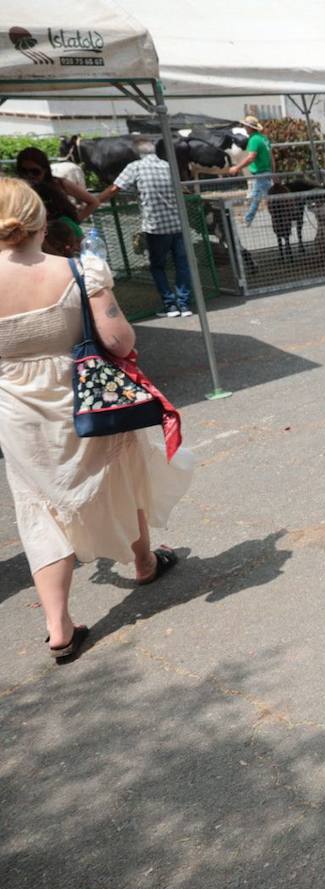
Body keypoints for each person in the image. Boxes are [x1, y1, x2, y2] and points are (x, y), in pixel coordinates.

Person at [0, 178, 192, 664]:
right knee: (123, 474)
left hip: (16, 413)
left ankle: (58, 626)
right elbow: (119, 342)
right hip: (86, 399)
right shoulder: (80, 271)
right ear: (40, 219)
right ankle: (144, 561)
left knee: (38, 505)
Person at [94, 149, 193, 318]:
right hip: (178, 224)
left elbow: (114, 189)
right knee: (182, 265)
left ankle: (170, 306)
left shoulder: (136, 167)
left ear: (137, 153)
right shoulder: (167, 166)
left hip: (156, 226)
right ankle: (184, 305)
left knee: (157, 266)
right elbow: (182, 189)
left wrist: (94, 201)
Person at [15, 148, 98, 248]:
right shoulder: (16, 189)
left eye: (35, 172)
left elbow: (93, 202)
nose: (29, 175)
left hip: (65, 239)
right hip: (36, 241)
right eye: (23, 171)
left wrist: (73, 223)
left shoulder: (58, 184)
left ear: (45, 170)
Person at [228, 115, 272, 226]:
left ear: (250, 128)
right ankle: (248, 219)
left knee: (270, 199)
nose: (244, 128)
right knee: (257, 197)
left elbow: (251, 157)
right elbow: (271, 156)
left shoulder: (253, 140)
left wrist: (237, 167)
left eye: (246, 126)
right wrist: (273, 172)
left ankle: (284, 217)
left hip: (260, 173)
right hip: (265, 172)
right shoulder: (264, 138)